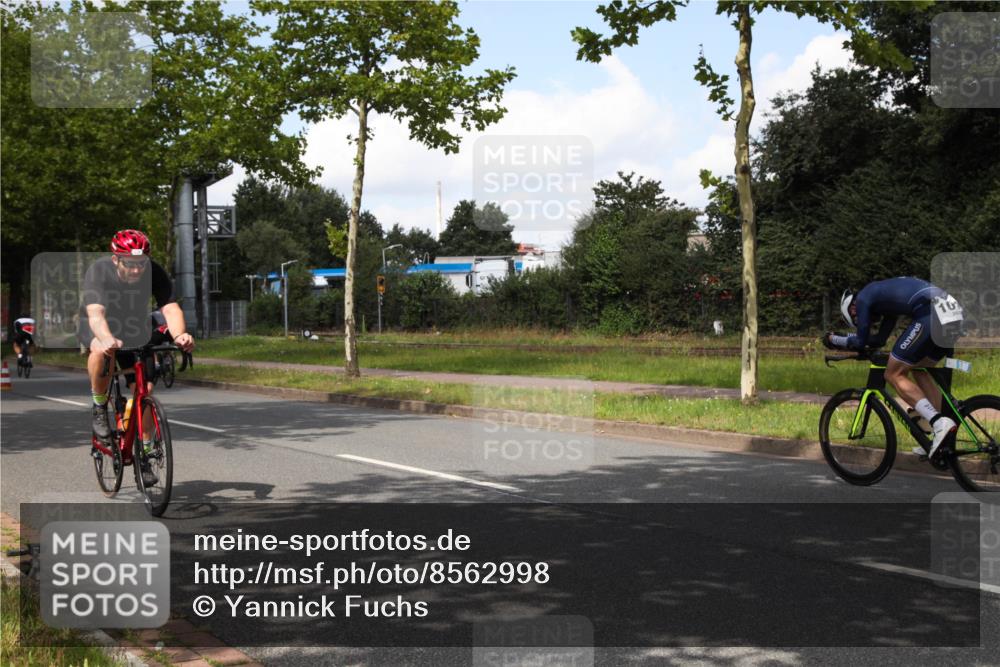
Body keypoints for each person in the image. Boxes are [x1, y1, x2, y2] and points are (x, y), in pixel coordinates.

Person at [78, 230, 194, 479]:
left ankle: (147, 453)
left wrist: (180, 335)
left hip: (134, 327)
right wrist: (107, 338)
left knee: (145, 391)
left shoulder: (154, 272)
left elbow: (170, 309)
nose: (136, 270)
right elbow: (96, 314)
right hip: (101, 324)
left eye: (141, 264)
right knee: (99, 350)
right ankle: (99, 406)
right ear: (115, 260)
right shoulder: (99, 272)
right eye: (130, 264)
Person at [822, 276, 963, 458]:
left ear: (853, 309)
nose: (866, 321)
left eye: (858, 319)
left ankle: (938, 422)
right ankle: (939, 434)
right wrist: (850, 339)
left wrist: (834, 339)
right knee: (919, 368)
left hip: (931, 313)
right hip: (952, 313)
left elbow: (860, 340)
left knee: (893, 374)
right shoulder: (885, 302)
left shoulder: (863, 298)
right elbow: (879, 340)